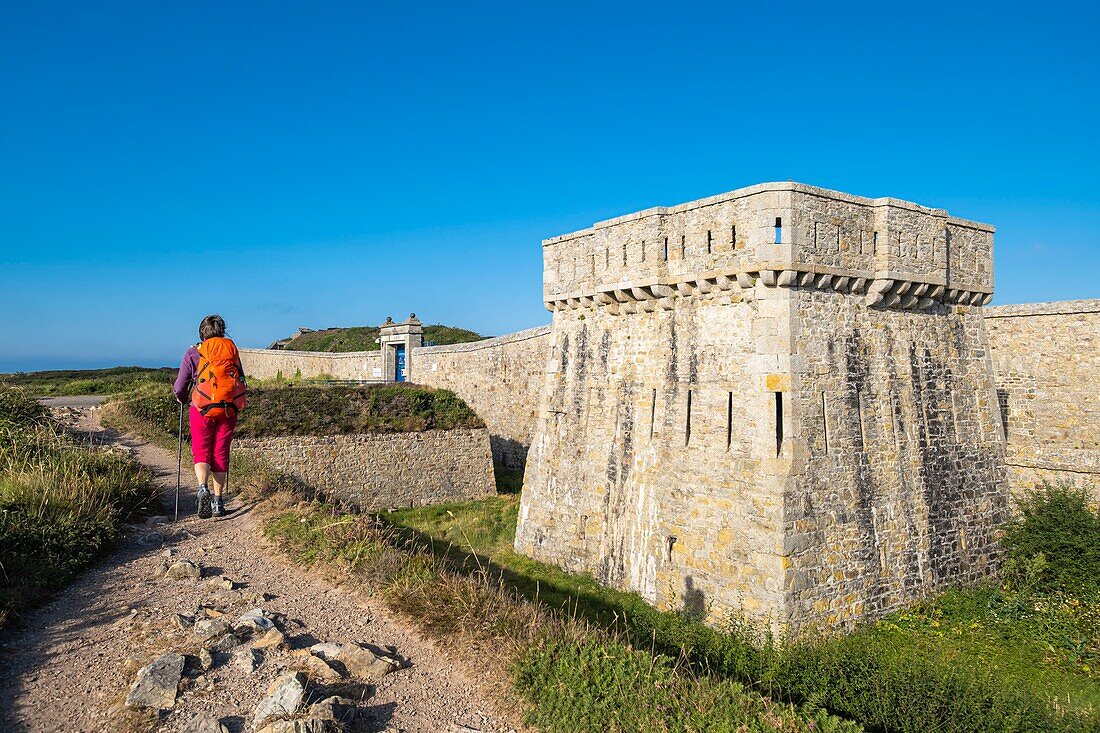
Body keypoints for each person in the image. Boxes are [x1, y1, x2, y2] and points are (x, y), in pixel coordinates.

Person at [173, 314, 248, 518]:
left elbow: (180, 386)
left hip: (201, 408)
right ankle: (218, 502)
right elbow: (240, 378)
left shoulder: (193, 352)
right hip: (228, 409)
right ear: (222, 331)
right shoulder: (231, 351)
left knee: (201, 450)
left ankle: (202, 488)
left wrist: (181, 397)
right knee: (220, 452)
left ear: (201, 333)